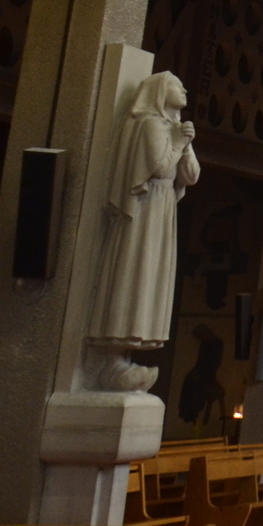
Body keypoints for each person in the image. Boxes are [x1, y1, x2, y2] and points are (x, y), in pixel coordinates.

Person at [87, 72, 200, 390]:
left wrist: (185, 144)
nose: (185, 88)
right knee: (134, 271)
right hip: (145, 210)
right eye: (179, 85)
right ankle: (113, 361)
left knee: (150, 277)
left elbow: (190, 176)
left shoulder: (171, 127)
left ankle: (123, 360)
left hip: (162, 211)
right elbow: (160, 168)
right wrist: (178, 142)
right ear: (161, 91)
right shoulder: (150, 124)